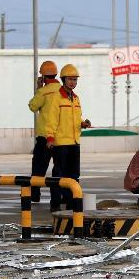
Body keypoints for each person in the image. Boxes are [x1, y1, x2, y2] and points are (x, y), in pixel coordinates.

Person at [43, 63, 91, 211]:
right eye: (70, 79)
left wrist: (83, 123)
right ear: (63, 79)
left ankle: (71, 202)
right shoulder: (57, 98)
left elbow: (76, 119)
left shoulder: (76, 99)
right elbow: (51, 120)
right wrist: (50, 138)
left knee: (74, 175)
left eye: (75, 80)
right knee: (59, 174)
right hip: (61, 143)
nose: (73, 82)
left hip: (74, 143)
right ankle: (56, 202)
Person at [27, 60, 61, 202]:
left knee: (38, 168)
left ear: (44, 77)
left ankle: (35, 195)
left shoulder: (43, 92)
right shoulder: (63, 90)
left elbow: (32, 106)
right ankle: (58, 198)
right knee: (59, 170)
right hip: (60, 137)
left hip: (44, 137)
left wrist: (38, 87)